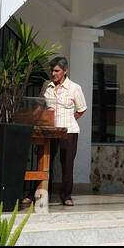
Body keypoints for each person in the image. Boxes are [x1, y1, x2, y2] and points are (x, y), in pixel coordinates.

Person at [42, 55, 86, 206]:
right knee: (45, 162)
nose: (53, 74)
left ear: (65, 71)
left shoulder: (75, 88)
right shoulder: (47, 87)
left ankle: (66, 195)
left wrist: (69, 119)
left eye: (57, 71)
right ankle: (39, 193)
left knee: (67, 163)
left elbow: (81, 109)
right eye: (52, 71)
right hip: (49, 130)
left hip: (69, 131)